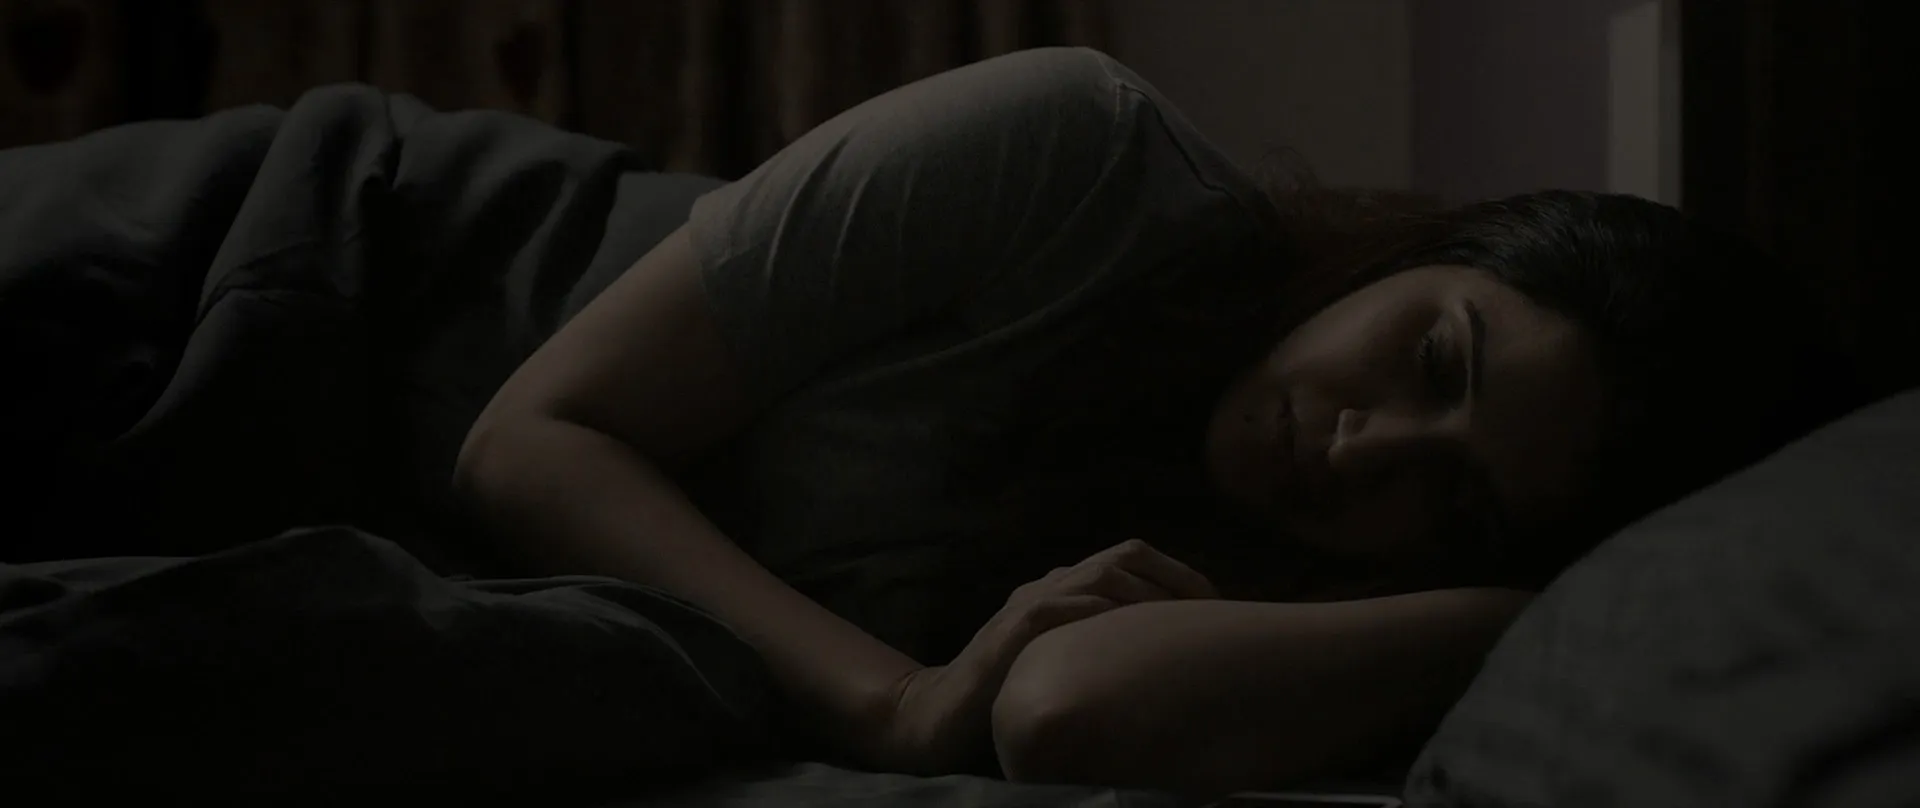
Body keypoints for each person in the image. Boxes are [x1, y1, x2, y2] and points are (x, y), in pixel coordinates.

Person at [451, 47, 1854, 793]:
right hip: (398, 291)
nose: (1364, 450)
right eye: (1433, 359)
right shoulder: (1074, 149)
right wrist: (898, 706)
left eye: (1457, 499)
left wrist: (1520, 609)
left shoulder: (1327, 592)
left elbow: (1068, 709)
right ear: (1423, 250)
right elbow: (532, 441)